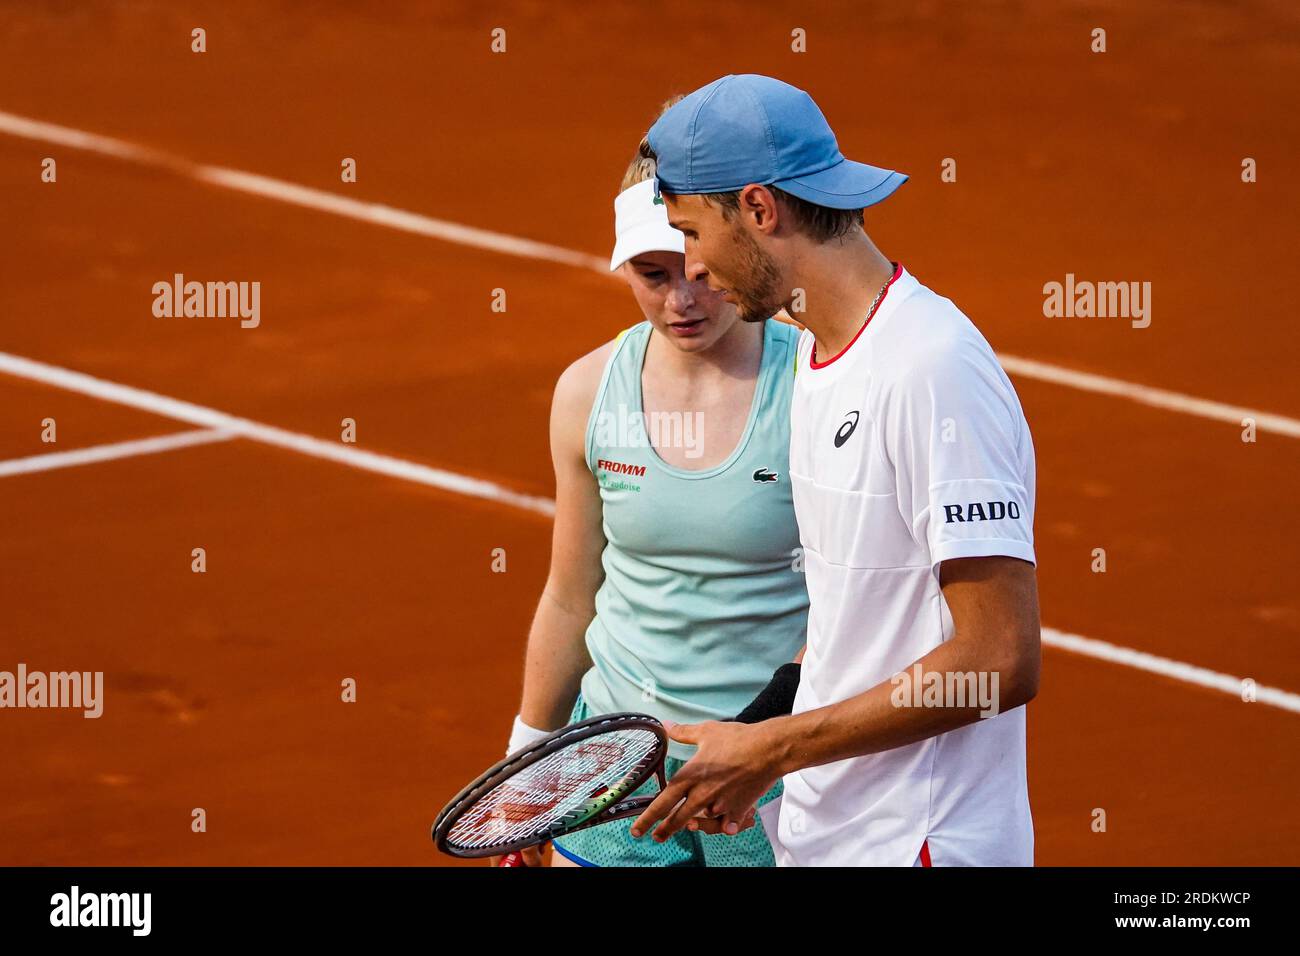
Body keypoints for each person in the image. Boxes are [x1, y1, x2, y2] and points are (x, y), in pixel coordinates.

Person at [629, 74, 1041, 867]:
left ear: (758, 208)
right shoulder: (818, 356)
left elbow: (997, 659)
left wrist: (778, 749)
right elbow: (858, 613)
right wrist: (758, 730)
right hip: (832, 834)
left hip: (918, 843)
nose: (694, 268)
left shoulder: (929, 367)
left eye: (692, 231)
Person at [505, 119, 809, 867]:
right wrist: (526, 767)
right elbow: (572, 595)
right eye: (652, 275)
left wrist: (756, 739)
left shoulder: (817, 385)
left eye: (696, 270)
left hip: (767, 777)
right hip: (615, 766)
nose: (682, 300)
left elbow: (854, 604)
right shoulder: (586, 393)